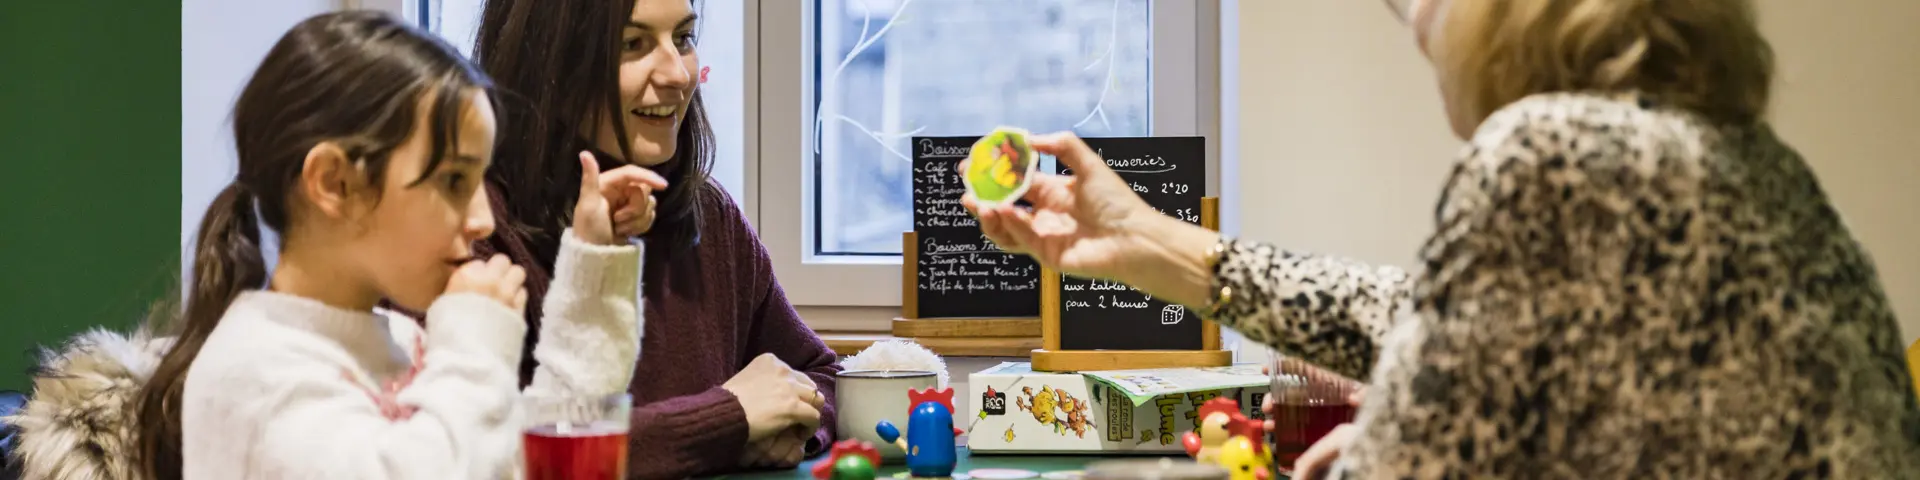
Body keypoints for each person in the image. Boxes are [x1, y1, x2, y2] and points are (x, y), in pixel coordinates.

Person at [965, 0, 1920, 477]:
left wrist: (1390, 446)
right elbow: (1432, 319)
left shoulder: (1546, 151)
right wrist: (1148, 241)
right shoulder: (1748, 167)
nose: (1418, 35)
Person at [101, 11, 650, 479]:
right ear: (336, 184)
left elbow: (541, 443)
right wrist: (475, 347)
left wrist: (593, 263)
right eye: (454, 182)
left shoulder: (406, 342)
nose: (483, 220)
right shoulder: (251, 373)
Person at [464, 0, 839, 477]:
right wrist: (727, 420)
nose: (678, 74)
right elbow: (503, 455)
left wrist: (790, 427)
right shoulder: (472, 231)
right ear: (548, 63)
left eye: (682, 38)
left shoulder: (710, 213)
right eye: (632, 44)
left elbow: (821, 376)